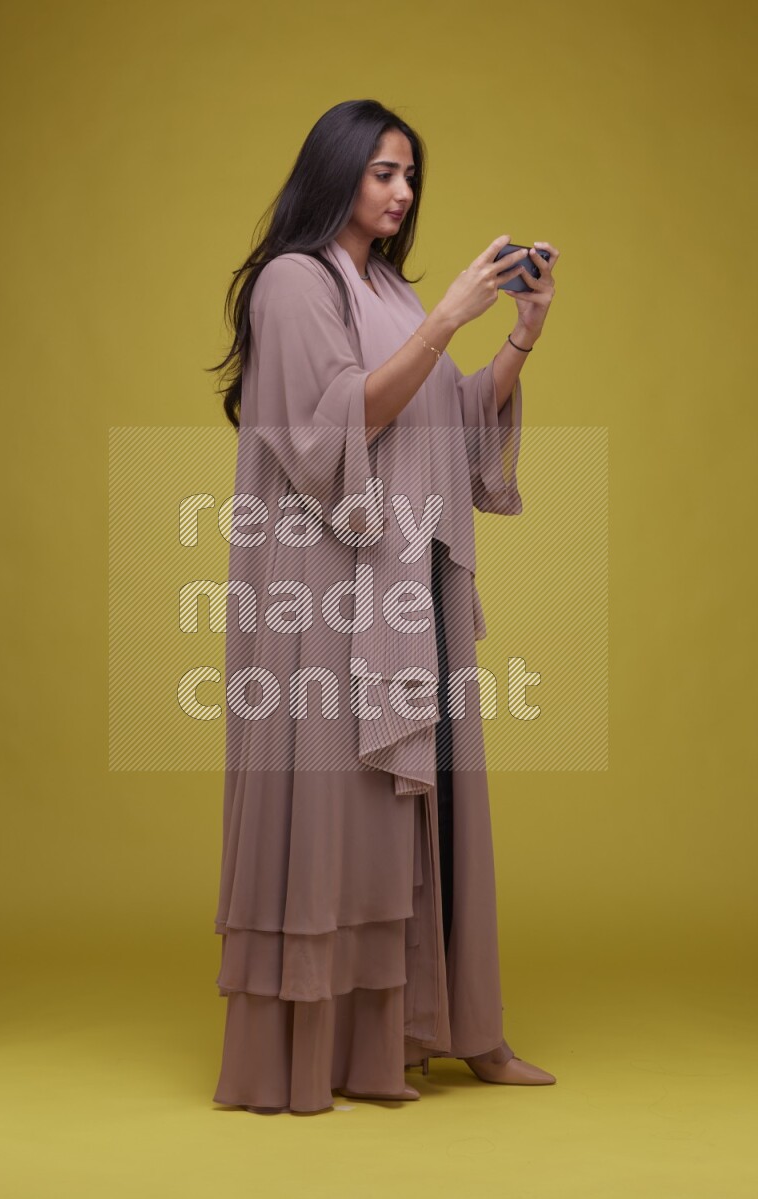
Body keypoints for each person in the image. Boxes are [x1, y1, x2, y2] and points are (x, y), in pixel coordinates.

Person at [207, 99, 560, 1115]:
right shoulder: (293, 282)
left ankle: (443, 1030)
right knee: (340, 809)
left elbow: (443, 417)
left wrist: (520, 337)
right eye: (382, 174)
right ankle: (321, 1047)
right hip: (324, 581)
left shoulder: (390, 287)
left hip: (412, 572)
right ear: (336, 173)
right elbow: (337, 425)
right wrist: (449, 315)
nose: (401, 194)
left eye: (408, 176)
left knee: (421, 801)